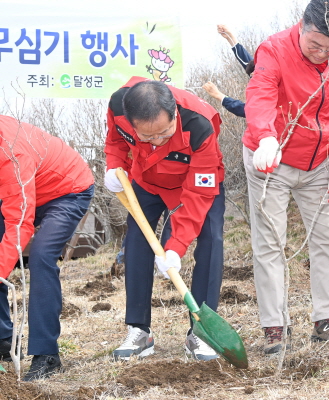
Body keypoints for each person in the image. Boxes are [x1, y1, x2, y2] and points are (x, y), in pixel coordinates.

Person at [243, 0, 329, 354]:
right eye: (316, 45)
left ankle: (327, 318)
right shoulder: (274, 49)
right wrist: (265, 136)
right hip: (271, 159)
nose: (323, 53)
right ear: (302, 26)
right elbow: (259, 94)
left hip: (321, 162)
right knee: (270, 243)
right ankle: (275, 327)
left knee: (327, 239)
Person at [104, 77, 225, 362]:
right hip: (146, 180)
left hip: (194, 182)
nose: (157, 141)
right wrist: (114, 167)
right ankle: (139, 331)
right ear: (132, 122)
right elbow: (115, 142)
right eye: (148, 136)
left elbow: (197, 194)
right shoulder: (118, 106)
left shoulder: (200, 125)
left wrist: (176, 246)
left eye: (165, 133)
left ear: (175, 115)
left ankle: (201, 331)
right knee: (136, 240)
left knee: (211, 238)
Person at [0, 115, 94, 381]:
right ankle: (2, 341)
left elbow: (19, 223)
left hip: (67, 190)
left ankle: (47, 355)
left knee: (41, 255)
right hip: (22, 188)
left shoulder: (11, 153)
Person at [203, 24, 256, 118]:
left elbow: (248, 110)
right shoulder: (265, 74)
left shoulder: (273, 88)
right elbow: (248, 63)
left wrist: (219, 95)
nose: (253, 75)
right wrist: (230, 38)